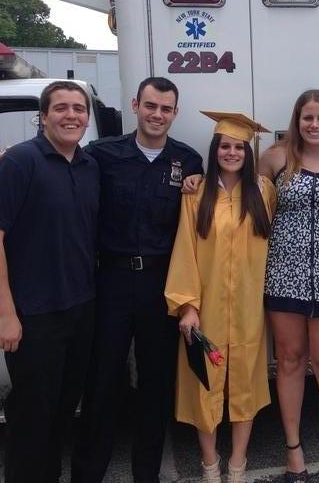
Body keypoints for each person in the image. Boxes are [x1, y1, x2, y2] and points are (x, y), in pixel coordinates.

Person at [71, 76, 204, 483]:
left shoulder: (189, 161)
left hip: (160, 287)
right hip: (110, 280)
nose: (157, 115)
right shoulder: (101, 155)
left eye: (166, 109)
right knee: (103, 380)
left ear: (175, 113)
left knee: (155, 383)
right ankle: (88, 472)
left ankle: (147, 474)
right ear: (135, 105)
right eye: (150, 106)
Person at [165, 111, 276, 483]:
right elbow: (185, 249)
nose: (231, 152)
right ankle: (210, 464)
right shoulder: (197, 194)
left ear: (248, 151)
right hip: (206, 310)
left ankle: (238, 464)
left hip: (249, 310)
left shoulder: (263, 192)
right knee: (204, 387)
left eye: (238, 147)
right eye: (225, 146)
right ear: (214, 151)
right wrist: (188, 306)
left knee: (244, 383)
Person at [0, 81, 100, 482]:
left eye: (79, 108)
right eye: (61, 108)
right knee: (30, 419)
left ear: (88, 118)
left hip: (80, 310)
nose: (71, 115)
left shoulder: (90, 166)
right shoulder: (20, 162)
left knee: (62, 413)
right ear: (42, 117)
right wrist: (6, 313)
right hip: (33, 315)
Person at [260, 89, 319, 483]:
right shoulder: (276, 157)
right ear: (296, 120)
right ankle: (294, 451)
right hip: (284, 275)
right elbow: (241, 196)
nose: (314, 125)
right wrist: (199, 182)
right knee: (290, 362)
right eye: (307, 118)